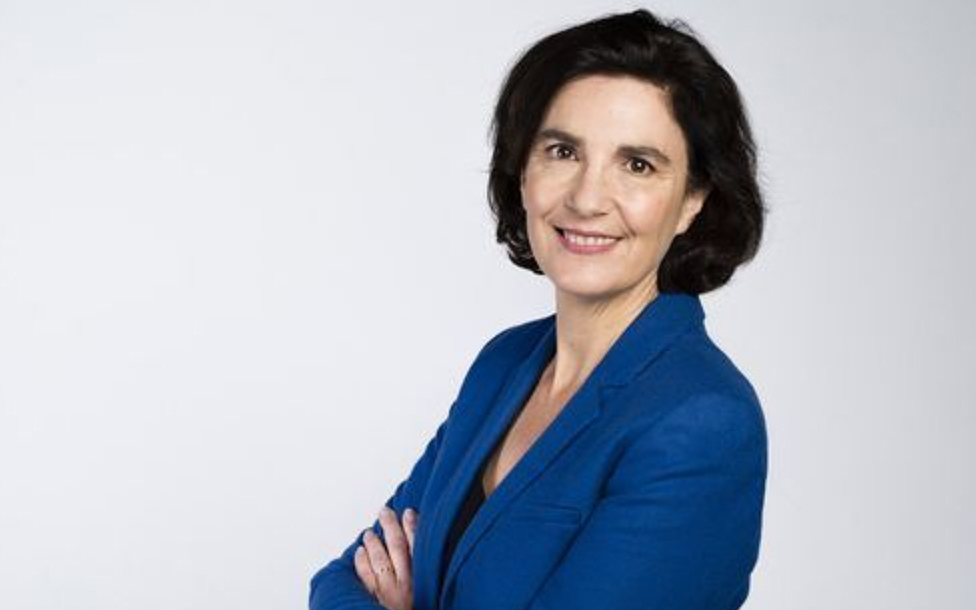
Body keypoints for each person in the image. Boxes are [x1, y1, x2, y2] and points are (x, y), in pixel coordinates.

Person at [309, 8, 767, 610]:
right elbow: (337, 582)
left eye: (637, 165)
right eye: (563, 151)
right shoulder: (504, 363)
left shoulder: (702, 423)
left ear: (692, 201)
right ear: (523, 170)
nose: (587, 198)